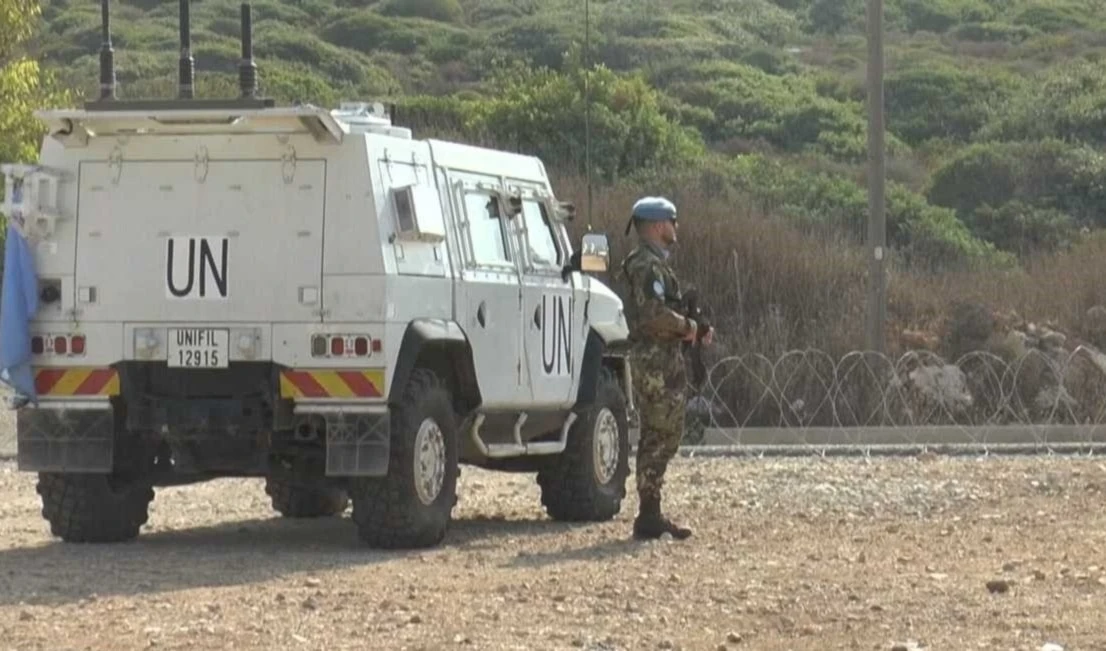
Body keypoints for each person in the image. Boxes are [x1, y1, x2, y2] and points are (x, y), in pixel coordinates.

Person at [618, 196, 713, 540]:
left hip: (663, 358)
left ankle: (651, 510)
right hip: (654, 361)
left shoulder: (655, 264)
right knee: (660, 433)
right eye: (672, 222)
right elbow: (653, 315)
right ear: (659, 226)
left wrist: (693, 328)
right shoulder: (646, 266)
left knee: (663, 433)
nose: (676, 228)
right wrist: (688, 328)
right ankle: (649, 513)